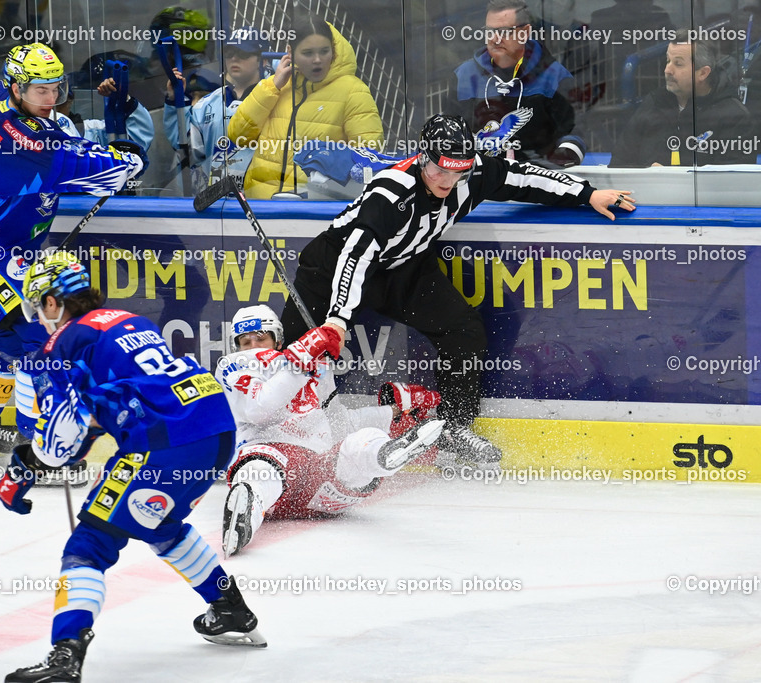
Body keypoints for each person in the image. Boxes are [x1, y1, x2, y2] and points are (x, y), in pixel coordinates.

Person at [279, 113, 637, 466]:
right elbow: (354, 256)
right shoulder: (391, 192)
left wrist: (586, 194)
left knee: (463, 331)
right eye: (440, 171)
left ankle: (452, 427)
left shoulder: (471, 173)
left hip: (404, 268)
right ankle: (277, 427)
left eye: (458, 171)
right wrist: (337, 321)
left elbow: (521, 177)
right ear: (423, 158)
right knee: (298, 353)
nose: (448, 181)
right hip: (331, 271)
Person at [0, 253, 266, 682]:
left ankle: (65, 655)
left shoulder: (63, 343)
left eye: (39, 304)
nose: (40, 317)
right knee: (160, 523)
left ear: (53, 302)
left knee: (89, 544)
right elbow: (105, 411)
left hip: (164, 443)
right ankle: (229, 609)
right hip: (215, 428)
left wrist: (21, 467)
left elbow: (59, 444)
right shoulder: (128, 320)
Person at [0, 43, 145, 465]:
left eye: (56, 88)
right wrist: (129, 160)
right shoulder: (14, 146)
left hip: (6, 247)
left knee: (13, 337)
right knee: (42, 337)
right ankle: (40, 451)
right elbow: (91, 171)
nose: (51, 99)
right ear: (16, 87)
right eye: (40, 91)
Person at [214, 305, 444, 557]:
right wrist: (302, 359)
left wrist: (391, 413)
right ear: (235, 346)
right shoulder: (232, 367)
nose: (254, 346)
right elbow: (258, 407)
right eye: (245, 341)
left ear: (277, 339)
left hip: (321, 482)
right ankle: (244, 518)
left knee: (359, 444)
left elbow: (339, 424)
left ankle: (385, 454)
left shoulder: (313, 366)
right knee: (258, 469)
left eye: (261, 338)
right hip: (273, 473)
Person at [227, 14, 384, 198]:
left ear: (334, 51)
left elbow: (368, 160)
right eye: (308, 53)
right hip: (260, 205)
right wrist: (270, 88)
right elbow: (238, 136)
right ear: (290, 53)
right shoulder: (275, 86)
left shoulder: (353, 91)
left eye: (324, 51)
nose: (317, 59)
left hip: (316, 208)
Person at [447, 0, 586, 168]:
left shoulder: (554, 76)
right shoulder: (465, 75)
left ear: (525, 32)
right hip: (479, 177)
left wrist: (563, 155)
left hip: (534, 178)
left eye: (504, 31)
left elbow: (574, 130)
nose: (495, 39)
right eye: (490, 31)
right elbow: (451, 131)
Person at [610, 32, 756, 167]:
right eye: (668, 61)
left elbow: (733, 184)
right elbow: (618, 163)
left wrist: (674, 181)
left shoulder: (734, 116)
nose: (667, 70)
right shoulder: (654, 103)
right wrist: (649, 176)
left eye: (678, 64)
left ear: (703, 73)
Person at [163, 26, 269, 191]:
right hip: (216, 203)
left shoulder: (277, 100)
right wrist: (174, 99)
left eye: (243, 53)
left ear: (263, 61)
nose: (234, 58)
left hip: (260, 202)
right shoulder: (207, 103)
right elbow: (186, 148)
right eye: (229, 53)